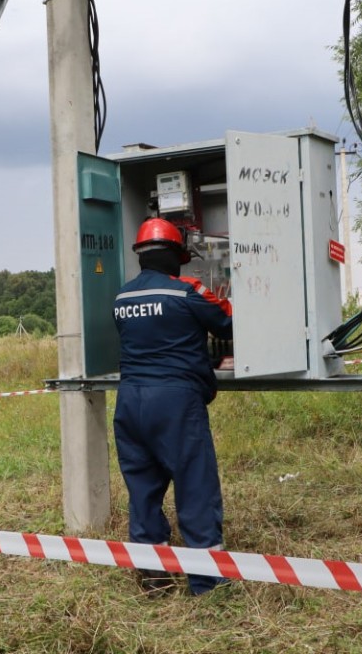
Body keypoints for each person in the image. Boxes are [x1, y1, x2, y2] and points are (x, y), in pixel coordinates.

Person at [111, 217, 234, 597]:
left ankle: (155, 578)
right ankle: (206, 581)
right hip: (175, 402)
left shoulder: (122, 298)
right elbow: (229, 322)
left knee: (143, 489)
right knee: (195, 486)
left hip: (130, 401)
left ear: (141, 257)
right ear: (177, 257)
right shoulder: (188, 291)